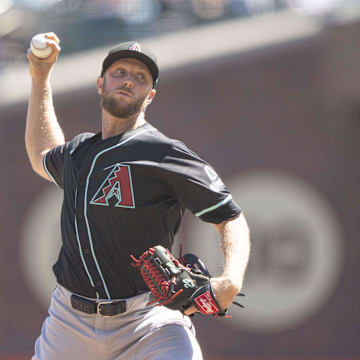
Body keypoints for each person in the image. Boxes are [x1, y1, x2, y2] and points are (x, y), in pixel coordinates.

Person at [25, 32, 251, 360]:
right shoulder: (77, 152)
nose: (129, 81)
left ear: (151, 95)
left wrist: (230, 280)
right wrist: (40, 76)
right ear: (100, 83)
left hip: (148, 320)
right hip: (69, 321)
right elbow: (42, 153)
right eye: (120, 73)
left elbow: (230, 217)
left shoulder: (163, 152)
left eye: (140, 77)